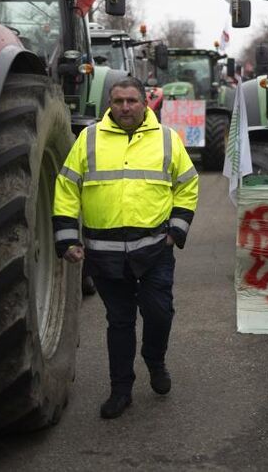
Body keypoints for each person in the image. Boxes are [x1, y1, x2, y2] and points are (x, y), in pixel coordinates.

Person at [52, 77, 199, 419]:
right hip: (105, 255)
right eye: (118, 101)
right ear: (109, 103)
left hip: (154, 252)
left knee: (158, 312)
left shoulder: (166, 139)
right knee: (119, 322)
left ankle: (155, 359)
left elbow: (187, 183)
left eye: (132, 101)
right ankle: (121, 390)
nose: (125, 108)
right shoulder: (88, 139)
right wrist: (67, 238)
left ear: (144, 103)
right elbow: (66, 187)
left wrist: (176, 231)